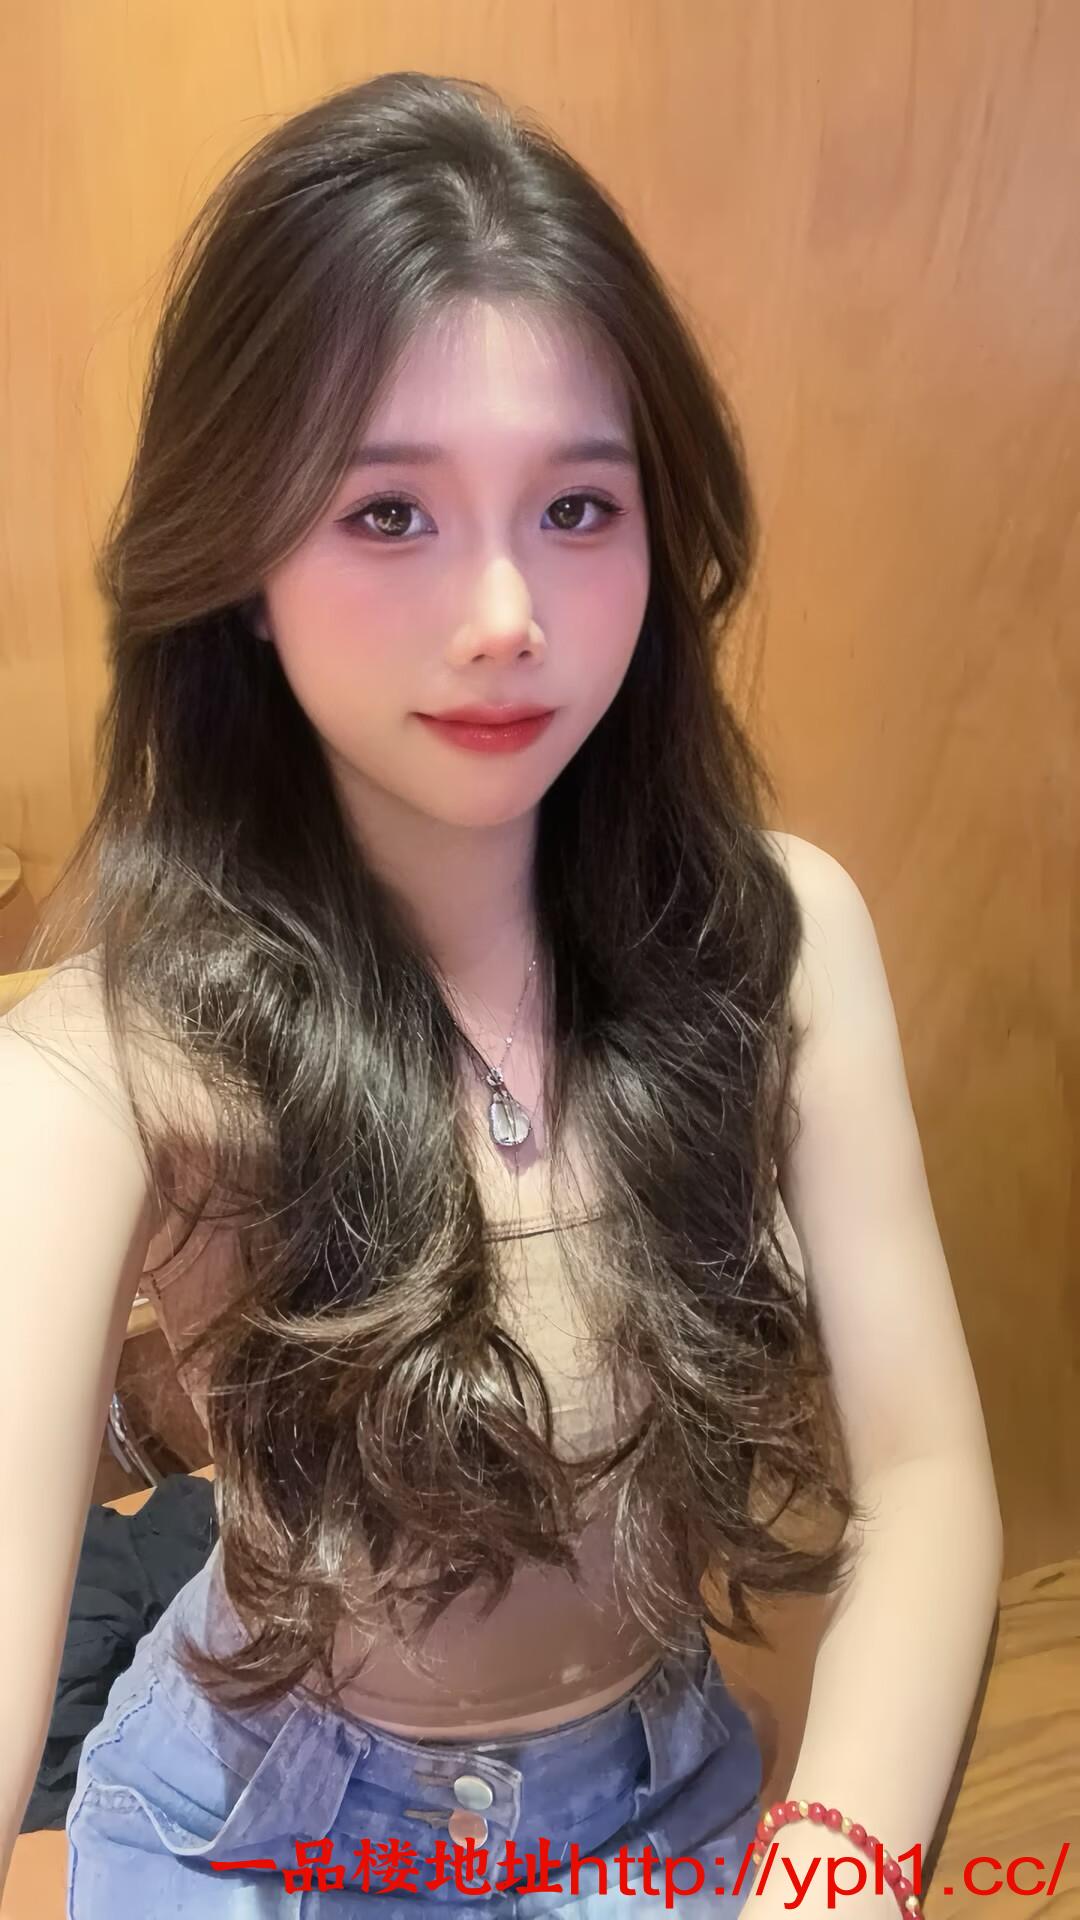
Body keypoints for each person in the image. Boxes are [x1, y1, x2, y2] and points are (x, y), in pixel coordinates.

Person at [0, 69, 1002, 1920]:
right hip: (251, 1824)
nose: (503, 616)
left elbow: (929, 1479)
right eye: (388, 513)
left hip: (657, 1816)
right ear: (241, 560)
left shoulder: (784, 941)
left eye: (577, 506)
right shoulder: (99, 1058)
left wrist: (837, 1882)